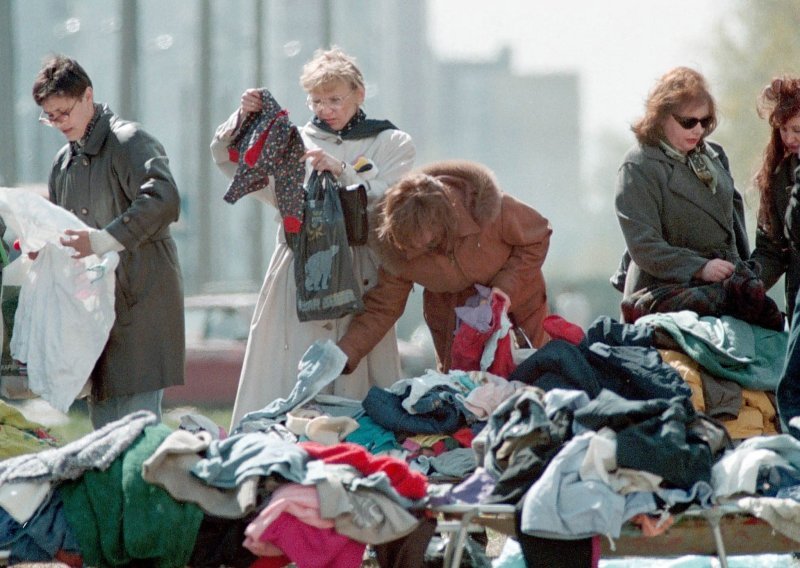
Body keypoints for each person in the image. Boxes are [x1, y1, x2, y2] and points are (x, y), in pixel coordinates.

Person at [210, 47, 415, 428]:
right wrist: (244, 118)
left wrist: (342, 173)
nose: (326, 109)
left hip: (361, 271)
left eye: (335, 99)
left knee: (357, 379)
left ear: (360, 94)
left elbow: (392, 194)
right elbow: (234, 161)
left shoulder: (391, 142)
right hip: (298, 269)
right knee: (286, 374)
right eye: (317, 100)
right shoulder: (292, 141)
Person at [32, 54, 185, 428]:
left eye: (63, 112)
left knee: (135, 434)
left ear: (88, 96)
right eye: (49, 117)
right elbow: (62, 226)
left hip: (140, 302)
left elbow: (164, 199)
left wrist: (102, 240)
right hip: (93, 311)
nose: (57, 124)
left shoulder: (128, 140)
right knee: (102, 438)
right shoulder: (62, 163)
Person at [336, 160, 552, 375]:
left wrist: (505, 287)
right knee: (462, 390)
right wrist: (343, 355)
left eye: (426, 243)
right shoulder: (397, 249)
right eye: (411, 246)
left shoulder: (488, 208)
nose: (418, 249)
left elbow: (538, 235)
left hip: (520, 298)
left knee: (541, 369)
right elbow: (382, 308)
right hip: (452, 316)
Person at [614, 66, 750, 314]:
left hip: (724, 287)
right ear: (661, 116)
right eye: (688, 122)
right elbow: (644, 245)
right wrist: (700, 268)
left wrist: (746, 272)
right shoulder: (639, 165)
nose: (698, 130)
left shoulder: (715, 155)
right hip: (662, 295)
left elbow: (733, 225)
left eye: (705, 121)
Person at [751, 76, 800, 322]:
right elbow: (771, 249)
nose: (790, 139)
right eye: (783, 129)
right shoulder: (780, 178)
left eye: (798, 130)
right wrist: (748, 284)